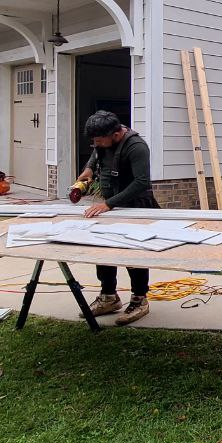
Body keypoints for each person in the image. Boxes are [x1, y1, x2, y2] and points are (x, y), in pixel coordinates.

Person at [75, 110, 159, 325]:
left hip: (135, 205)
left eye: (99, 140)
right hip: (111, 205)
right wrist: (88, 169)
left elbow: (141, 182)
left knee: (132, 253)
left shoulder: (136, 147)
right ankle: (109, 297)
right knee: (104, 248)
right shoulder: (104, 141)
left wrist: (108, 204)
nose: (96, 144)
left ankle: (140, 299)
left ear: (115, 134)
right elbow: (96, 155)